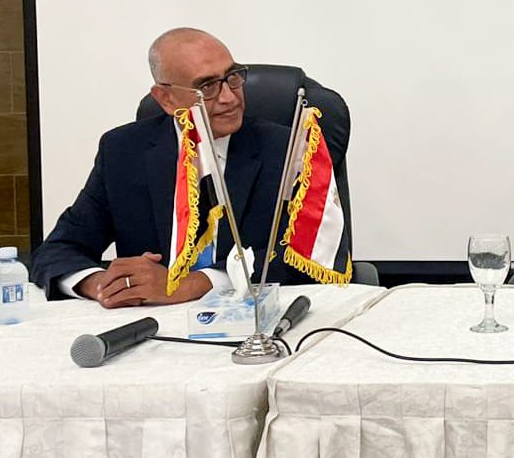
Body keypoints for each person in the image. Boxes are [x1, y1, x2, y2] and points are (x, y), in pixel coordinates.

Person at [30, 27, 316, 306]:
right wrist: (104, 285)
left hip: (252, 317)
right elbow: (57, 250)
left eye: (233, 77)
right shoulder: (122, 151)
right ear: (166, 99)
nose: (229, 97)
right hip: (153, 324)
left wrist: (193, 284)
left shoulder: (289, 149)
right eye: (207, 86)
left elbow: (312, 254)